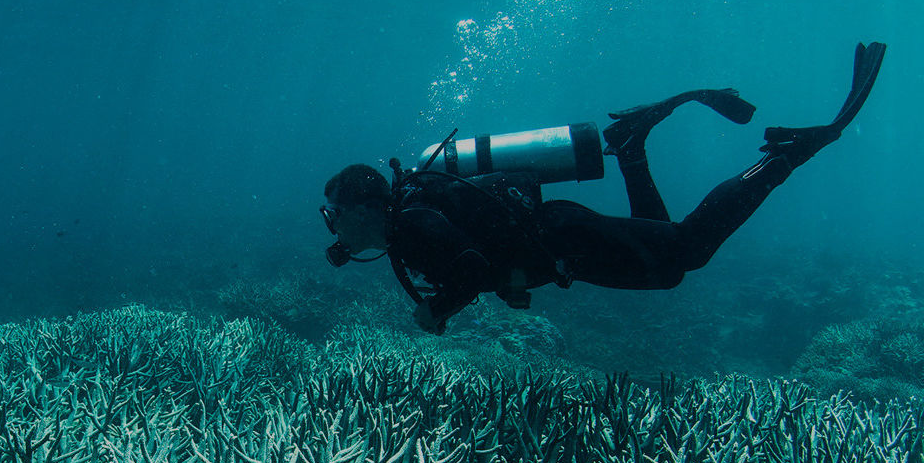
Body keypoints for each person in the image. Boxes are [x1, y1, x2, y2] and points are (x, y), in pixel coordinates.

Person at [320, 42, 887, 334]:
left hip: (566, 238)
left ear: (366, 208)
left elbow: (467, 264)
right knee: (667, 263)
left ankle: (784, 159)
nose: (335, 227)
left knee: (685, 251)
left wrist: (436, 311)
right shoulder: (410, 223)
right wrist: (506, 282)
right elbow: (481, 256)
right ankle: (632, 148)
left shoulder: (413, 224)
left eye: (336, 215)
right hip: (559, 241)